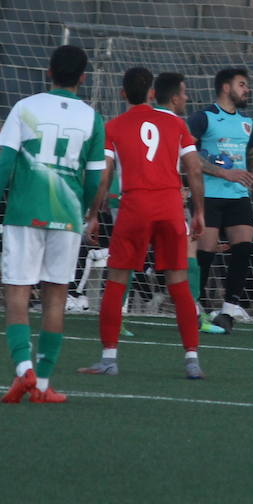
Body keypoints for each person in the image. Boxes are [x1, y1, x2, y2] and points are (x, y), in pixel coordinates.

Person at [0, 44, 105, 404]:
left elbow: (5, 164)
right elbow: (95, 180)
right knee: (56, 298)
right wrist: (84, 211)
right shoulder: (92, 118)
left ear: (48, 72)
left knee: (18, 294)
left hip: (24, 213)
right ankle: (42, 385)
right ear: (83, 78)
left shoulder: (25, 107)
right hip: (67, 218)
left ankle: (24, 370)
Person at [78, 69, 208, 379]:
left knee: (117, 281)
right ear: (152, 93)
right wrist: (199, 211)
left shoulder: (113, 127)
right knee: (178, 284)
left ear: (123, 94)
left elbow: (105, 175)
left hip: (134, 207)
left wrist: (93, 214)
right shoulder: (176, 124)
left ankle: (109, 358)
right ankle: (191, 358)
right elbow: (194, 169)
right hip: (169, 207)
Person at [189, 67, 253, 322]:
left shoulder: (247, 123)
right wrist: (223, 171)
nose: (247, 89)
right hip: (208, 195)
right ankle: (194, 304)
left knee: (244, 247)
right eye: (242, 84)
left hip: (239, 196)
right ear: (225, 87)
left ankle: (230, 306)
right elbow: (188, 157)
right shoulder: (204, 118)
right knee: (206, 253)